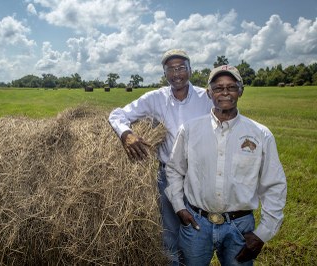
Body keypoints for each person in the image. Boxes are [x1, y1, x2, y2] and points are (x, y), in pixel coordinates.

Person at [165, 65, 287, 265]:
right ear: (209, 93)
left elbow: (274, 184)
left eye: (231, 87)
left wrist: (263, 233)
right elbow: (174, 169)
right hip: (196, 224)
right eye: (218, 88)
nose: (225, 93)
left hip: (240, 226)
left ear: (241, 91)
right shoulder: (189, 130)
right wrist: (179, 206)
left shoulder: (261, 134)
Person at [108, 49, 213, 265]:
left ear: (190, 70)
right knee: (169, 235)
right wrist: (127, 134)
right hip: (167, 174)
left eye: (181, 67)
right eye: (170, 69)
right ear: (164, 74)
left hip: (201, 176)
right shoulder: (155, 98)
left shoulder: (206, 98)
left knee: (199, 232)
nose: (177, 73)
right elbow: (117, 114)